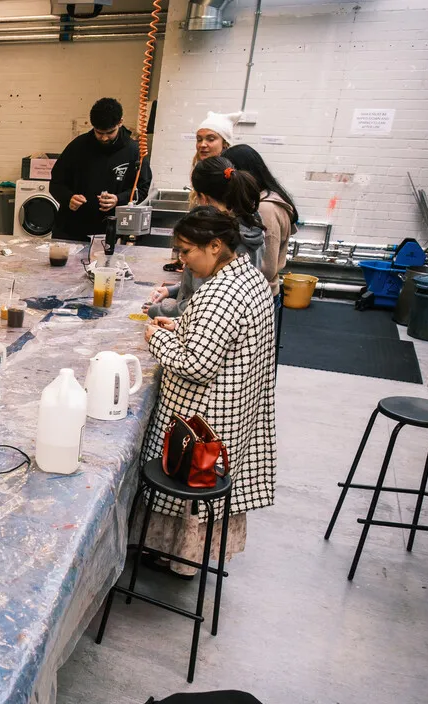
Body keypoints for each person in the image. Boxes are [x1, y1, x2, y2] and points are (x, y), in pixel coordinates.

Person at [141, 206, 277, 576]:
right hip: (233, 415)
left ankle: (179, 561)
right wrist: (182, 327)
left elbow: (196, 366)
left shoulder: (219, 294)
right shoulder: (246, 277)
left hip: (205, 424)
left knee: (187, 490)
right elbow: (217, 337)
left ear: (215, 246)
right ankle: (178, 558)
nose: (182, 261)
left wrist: (157, 339)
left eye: (187, 251)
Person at [147, 157, 266, 318]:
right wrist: (173, 290)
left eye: (186, 251)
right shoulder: (251, 224)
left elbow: (204, 304)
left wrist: (158, 310)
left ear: (203, 197)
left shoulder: (222, 237)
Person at [49, 98, 152, 242]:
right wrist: (68, 198)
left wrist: (119, 199)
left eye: (110, 132)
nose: (104, 138)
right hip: (71, 229)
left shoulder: (134, 151)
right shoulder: (77, 147)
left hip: (110, 232)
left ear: (120, 122)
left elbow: (142, 188)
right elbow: (56, 184)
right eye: (99, 132)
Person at [225, 144, 299, 296]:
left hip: (260, 293)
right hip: (258, 291)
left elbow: (266, 267)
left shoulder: (265, 209)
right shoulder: (265, 200)